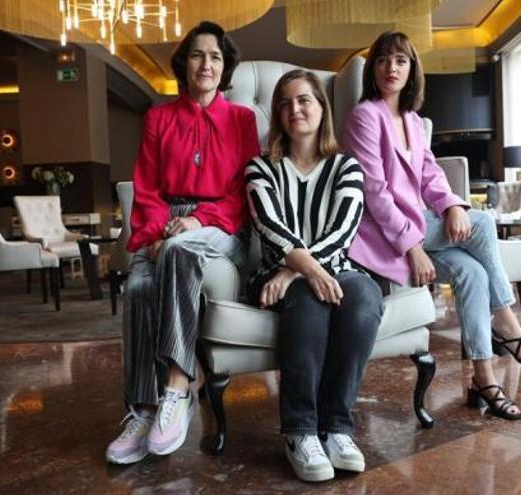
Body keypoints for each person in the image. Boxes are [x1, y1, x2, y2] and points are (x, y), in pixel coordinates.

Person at [344, 31, 521, 422]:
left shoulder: (411, 119)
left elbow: (430, 175)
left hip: (421, 223)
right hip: (384, 235)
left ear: (412, 70)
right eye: (383, 60)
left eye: (401, 61)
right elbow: (374, 193)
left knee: (473, 272)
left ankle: (484, 379)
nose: (392, 68)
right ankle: (509, 324)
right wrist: (413, 246)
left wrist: (454, 204)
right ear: (372, 68)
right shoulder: (365, 116)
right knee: (484, 222)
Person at [105, 21, 259, 464]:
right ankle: (143, 408)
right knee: (137, 287)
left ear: (224, 64)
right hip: (164, 220)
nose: (206, 64)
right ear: (184, 64)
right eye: (197, 55)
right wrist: (155, 234)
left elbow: (243, 192)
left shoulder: (242, 120)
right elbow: (146, 187)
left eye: (214, 56)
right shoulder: (158, 117)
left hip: (220, 223)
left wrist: (194, 222)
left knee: (180, 249)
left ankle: (178, 386)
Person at [245, 69, 382, 482]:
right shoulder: (260, 168)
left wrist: (295, 271)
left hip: (334, 270)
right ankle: (301, 431)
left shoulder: (347, 167)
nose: (294, 109)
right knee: (307, 297)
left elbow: (343, 230)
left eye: (304, 100)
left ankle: (337, 427)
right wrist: (294, 274)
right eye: (284, 103)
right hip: (272, 273)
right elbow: (269, 226)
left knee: (363, 298)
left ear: (322, 109)